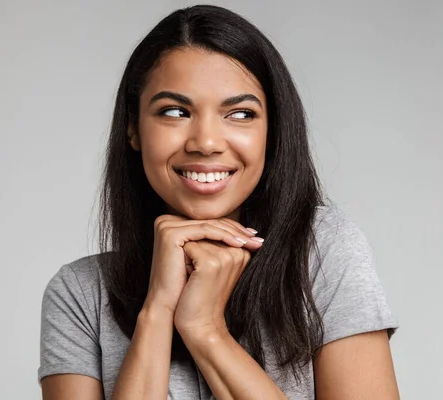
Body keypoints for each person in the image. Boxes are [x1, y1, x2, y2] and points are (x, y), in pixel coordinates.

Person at [38, 4, 400, 399]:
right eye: (175, 111)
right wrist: (157, 311)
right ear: (133, 128)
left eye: (241, 113)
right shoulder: (80, 294)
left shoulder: (323, 250)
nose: (206, 142)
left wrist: (205, 330)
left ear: (272, 131)